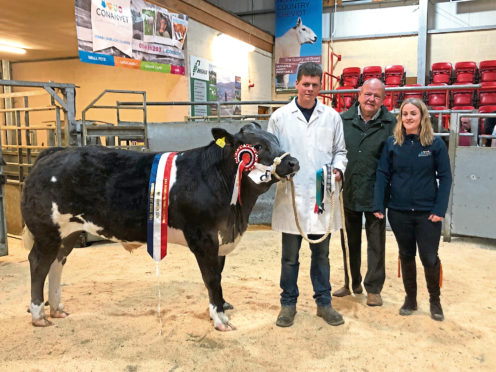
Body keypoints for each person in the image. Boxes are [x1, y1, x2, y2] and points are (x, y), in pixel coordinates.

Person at [268, 62, 348, 327]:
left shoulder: (332, 116)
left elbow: (341, 152)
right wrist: (279, 169)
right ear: (296, 84)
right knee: (290, 257)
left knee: (321, 255)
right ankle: (288, 304)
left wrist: (337, 170)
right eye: (305, 84)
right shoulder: (280, 117)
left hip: (321, 195)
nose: (310, 89)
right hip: (291, 194)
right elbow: (270, 153)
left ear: (320, 86)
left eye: (315, 85)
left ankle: (323, 303)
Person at [373, 98, 452, 321]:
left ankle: (435, 300)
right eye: (405, 114)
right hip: (398, 211)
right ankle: (410, 298)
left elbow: (445, 177)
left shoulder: (434, 145)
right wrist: (379, 204)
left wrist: (440, 208)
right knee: (406, 255)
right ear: (400, 118)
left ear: (422, 117)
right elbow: (382, 174)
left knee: (429, 257)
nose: (408, 117)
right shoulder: (392, 144)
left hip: (428, 213)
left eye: (413, 113)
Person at [333, 78, 396, 307]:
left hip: (375, 195)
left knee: (376, 243)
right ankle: (352, 283)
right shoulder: (342, 120)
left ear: (383, 99)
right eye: (368, 94)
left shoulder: (391, 123)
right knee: (349, 241)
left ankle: (374, 288)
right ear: (359, 94)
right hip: (348, 191)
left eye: (377, 96)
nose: (371, 99)